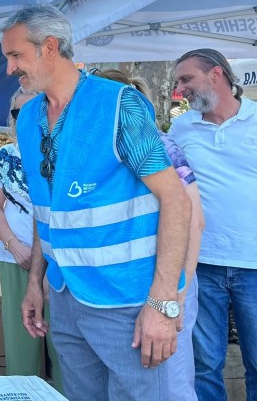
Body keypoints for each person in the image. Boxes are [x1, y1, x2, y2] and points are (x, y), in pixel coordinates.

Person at [0, 5, 190, 401]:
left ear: (49, 46)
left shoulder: (119, 104)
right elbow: (45, 210)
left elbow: (176, 200)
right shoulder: (29, 116)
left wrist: (162, 302)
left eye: (15, 55)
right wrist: (35, 283)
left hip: (128, 299)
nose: (9, 68)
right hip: (65, 296)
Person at [97, 68, 205, 401]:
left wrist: (177, 294)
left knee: (172, 383)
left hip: (170, 282)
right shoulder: (108, 149)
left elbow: (194, 220)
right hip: (141, 283)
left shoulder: (159, 144)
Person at [169, 48, 257, 401]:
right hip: (200, 263)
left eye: (186, 79)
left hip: (253, 263)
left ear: (216, 74)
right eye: (178, 81)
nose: (180, 89)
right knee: (204, 364)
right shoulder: (180, 127)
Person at [0, 88, 63, 392]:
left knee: (65, 350)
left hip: (59, 265)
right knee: (21, 349)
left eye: (34, 110)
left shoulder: (64, 150)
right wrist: (13, 245)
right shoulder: (7, 155)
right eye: (19, 113)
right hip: (16, 260)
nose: (26, 119)